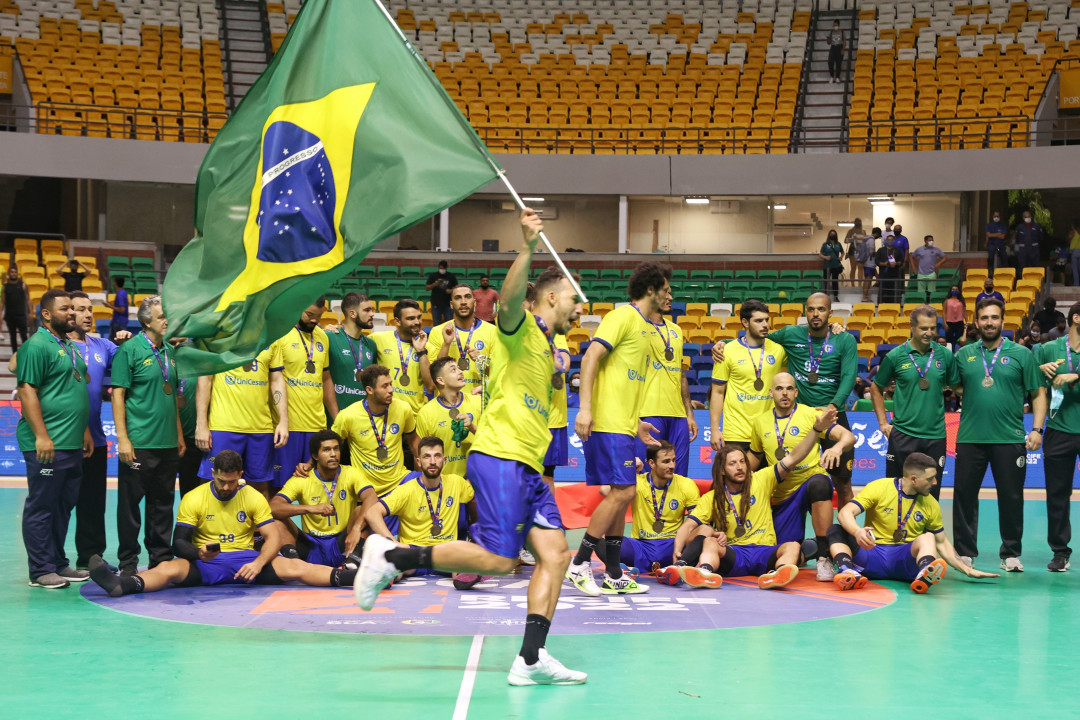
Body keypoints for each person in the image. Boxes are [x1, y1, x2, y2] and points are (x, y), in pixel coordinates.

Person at [354, 210, 589, 686]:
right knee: (501, 561)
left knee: (556, 555)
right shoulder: (519, 327)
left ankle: (530, 659)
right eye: (572, 299)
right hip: (501, 457)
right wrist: (526, 245)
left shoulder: (545, 345)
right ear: (548, 297)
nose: (579, 307)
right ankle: (393, 558)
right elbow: (505, 304)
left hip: (528, 463)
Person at [86, 450, 358, 597]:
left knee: (297, 566)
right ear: (213, 474)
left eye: (232, 481)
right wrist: (198, 553)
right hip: (208, 563)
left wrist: (258, 563)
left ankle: (359, 578)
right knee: (168, 568)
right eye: (221, 481)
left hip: (246, 561)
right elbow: (179, 542)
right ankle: (122, 585)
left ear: (240, 475)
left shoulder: (250, 495)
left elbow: (273, 536)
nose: (227, 487)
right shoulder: (195, 498)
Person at [567, 262, 671, 596]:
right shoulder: (622, 317)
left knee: (620, 494)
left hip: (624, 426)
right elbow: (590, 357)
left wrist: (636, 422)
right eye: (666, 290)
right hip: (608, 424)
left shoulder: (645, 328)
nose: (671, 296)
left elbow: (625, 381)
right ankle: (580, 562)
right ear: (651, 291)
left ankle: (612, 572)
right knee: (626, 491)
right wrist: (584, 408)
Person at [668, 407, 838, 589]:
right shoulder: (712, 497)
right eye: (732, 464)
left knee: (792, 547)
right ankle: (706, 573)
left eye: (742, 462)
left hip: (764, 551)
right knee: (709, 541)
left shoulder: (762, 479)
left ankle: (777, 575)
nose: (740, 467)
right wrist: (678, 551)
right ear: (722, 470)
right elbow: (688, 526)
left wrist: (816, 430)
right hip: (735, 552)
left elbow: (793, 458)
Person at [723, 292, 858, 507]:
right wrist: (725, 343)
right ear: (805, 312)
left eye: (821, 309)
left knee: (842, 483)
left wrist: (832, 407)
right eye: (811, 309)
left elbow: (849, 376)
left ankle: (846, 533)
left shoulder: (845, 339)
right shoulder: (791, 334)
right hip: (799, 416)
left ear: (830, 313)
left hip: (832, 415)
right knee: (789, 478)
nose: (816, 314)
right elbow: (757, 339)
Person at [952, 297, 1046, 572]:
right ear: (976, 321)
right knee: (965, 496)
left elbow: (1037, 393)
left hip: (1009, 437)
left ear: (1003, 321)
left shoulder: (1021, 354)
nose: (989, 322)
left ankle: (1011, 553)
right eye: (984, 318)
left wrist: (1038, 429)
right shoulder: (964, 355)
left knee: (1012, 497)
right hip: (970, 437)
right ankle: (965, 551)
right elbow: (955, 386)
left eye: (994, 318)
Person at [828, 453, 999, 593]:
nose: (935, 483)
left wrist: (966, 570)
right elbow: (845, 513)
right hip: (871, 553)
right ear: (914, 479)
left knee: (928, 537)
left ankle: (924, 572)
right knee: (835, 529)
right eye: (930, 479)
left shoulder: (930, 503)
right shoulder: (879, 487)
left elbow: (942, 543)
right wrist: (857, 531)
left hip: (903, 560)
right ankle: (847, 571)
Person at [17, 289, 92, 588]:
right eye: (65, 309)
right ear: (47, 314)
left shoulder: (68, 346)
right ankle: (40, 570)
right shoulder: (37, 345)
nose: (72, 314)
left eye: (73, 309)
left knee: (63, 506)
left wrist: (84, 429)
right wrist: (42, 436)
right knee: (42, 506)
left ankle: (58, 563)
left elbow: (74, 390)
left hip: (71, 443)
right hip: (48, 445)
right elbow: (27, 391)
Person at [749, 372, 855, 581]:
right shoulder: (760, 423)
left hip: (811, 480)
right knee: (781, 556)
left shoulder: (810, 414)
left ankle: (824, 557)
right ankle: (810, 549)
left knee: (820, 485)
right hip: (783, 493)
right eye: (779, 389)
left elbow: (848, 436)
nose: (785, 393)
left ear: (796, 392)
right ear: (771, 393)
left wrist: (837, 448)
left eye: (789, 388)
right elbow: (754, 456)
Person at [111, 296, 184, 576]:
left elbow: (173, 398)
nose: (167, 320)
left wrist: (178, 435)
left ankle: (161, 558)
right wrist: (123, 439)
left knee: (163, 505)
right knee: (130, 508)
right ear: (145, 322)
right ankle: (128, 562)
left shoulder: (169, 352)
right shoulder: (128, 350)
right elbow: (118, 395)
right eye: (161, 316)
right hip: (139, 443)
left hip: (167, 444)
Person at [364, 435, 483, 589]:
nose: (432, 461)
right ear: (419, 462)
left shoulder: (456, 483)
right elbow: (372, 513)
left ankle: (466, 575)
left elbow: (478, 496)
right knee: (394, 565)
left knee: (461, 559)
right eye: (427, 456)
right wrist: (393, 543)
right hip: (413, 552)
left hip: (444, 551)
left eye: (437, 456)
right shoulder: (406, 490)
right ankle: (385, 574)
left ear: (444, 460)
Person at [871, 305, 959, 497]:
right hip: (903, 434)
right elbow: (876, 388)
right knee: (896, 493)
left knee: (931, 494)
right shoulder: (895, 356)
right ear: (912, 327)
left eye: (933, 328)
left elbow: (958, 387)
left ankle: (928, 529)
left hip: (935, 436)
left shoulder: (944, 355)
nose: (929, 333)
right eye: (924, 328)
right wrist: (883, 423)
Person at [195, 342, 289, 498]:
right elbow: (205, 379)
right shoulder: (220, 335)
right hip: (223, 426)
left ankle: (257, 523)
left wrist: (283, 420)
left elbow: (276, 380)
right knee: (212, 485)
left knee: (259, 489)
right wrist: (201, 424)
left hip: (261, 428)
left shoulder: (272, 336)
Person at [269, 297, 337, 492]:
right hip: (288, 427)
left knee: (315, 489)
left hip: (316, 425)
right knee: (279, 488)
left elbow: (325, 379)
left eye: (319, 316)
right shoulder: (280, 335)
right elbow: (274, 379)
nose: (315, 320)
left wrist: (336, 417)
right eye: (309, 315)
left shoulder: (322, 336)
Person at [271, 430, 367, 566]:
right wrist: (311, 509)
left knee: (363, 510)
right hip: (311, 546)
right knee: (277, 521)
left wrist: (356, 528)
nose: (333, 454)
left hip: (342, 543)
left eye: (336, 449)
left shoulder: (351, 473)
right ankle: (294, 564)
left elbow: (371, 498)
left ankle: (352, 564)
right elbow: (273, 507)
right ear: (315, 455)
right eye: (327, 450)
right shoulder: (302, 479)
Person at [709, 299, 788, 451]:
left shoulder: (778, 350)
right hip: (736, 433)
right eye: (758, 321)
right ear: (745, 322)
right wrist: (714, 429)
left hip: (769, 431)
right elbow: (718, 392)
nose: (765, 325)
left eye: (766, 320)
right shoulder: (726, 351)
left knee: (767, 476)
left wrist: (831, 328)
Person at [1036, 300, 1080, 571]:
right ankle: (1060, 552)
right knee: (1057, 495)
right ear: (1077, 318)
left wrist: (1075, 375)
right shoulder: (1049, 349)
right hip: (1059, 430)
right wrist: (1040, 370)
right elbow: (1033, 384)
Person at [636, 282, 697, 476]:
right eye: (666, 293)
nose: (670, 298)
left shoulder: (676, 330)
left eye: (671, 293)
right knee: (648, 475)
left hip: (678, 416)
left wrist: (689, 413)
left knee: (678, 476)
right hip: (649, 411)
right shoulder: (637, 326)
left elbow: (681, 373)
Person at [332, 364, 417, 498]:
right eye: (384, 386)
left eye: (390, 384)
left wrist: (425, 463)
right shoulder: (347, 416)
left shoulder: (404, 408)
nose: (391, 390)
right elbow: (330, 446)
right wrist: (309, 465)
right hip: (366, 488)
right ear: (369, 390)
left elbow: (414, 442)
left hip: (400, 480)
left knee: (430, 483)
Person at [625, 441, 701, 578]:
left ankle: (678, 565)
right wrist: (630, 467)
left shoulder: (686, 484)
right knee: (602, 539)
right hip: (641, 545)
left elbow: (697, 523)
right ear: (652, 463)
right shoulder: (637, 481)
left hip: (673, 545)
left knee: (703, 532)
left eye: (673, 460)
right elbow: (605, 491)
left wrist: (682, 545)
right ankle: (626, 568)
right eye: (666, 461)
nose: (672, 466)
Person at [415, 356, 482, 478]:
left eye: (459, 368)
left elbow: (492, 440)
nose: (461, 371)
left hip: (476, 480)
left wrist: (472, 427)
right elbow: (422, 457)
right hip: (444, 484)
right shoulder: (426, 413)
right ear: (440, 380)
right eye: (453, 370)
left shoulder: (477, 402)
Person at [427, 283, 498, 395]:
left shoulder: (493, 331)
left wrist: (481, 360)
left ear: (474, 302)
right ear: (451, 304)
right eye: (458, 298)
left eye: (467, 297)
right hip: (448, 405)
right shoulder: (437, 332)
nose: (463, 302)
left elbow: (498, 376)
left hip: (479, 402)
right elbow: (433, 381)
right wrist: (446, 344)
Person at [371, 299, 432, 417]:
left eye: (419, 317)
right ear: (397, 321)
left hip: (414, 415)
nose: (417, 322)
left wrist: (421, 352)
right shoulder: (377, 339)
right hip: (385, 414)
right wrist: (333, 330)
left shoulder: (428, 348)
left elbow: (430, 386)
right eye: (410, 318)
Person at [325, 292, 377, 411]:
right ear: (352, 313)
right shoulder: (330, 337)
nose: (372, 314)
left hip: (362, 419)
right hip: (333, 419)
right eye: (367, 310)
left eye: (372, 310)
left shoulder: (371, 345)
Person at [1, 265, 31, 352]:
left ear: (17, 273)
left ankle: (26, 354)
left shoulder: (23, 285)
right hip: (10, 315)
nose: (13, 274)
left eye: (15, 272)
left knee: (24, 335)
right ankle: (14, 355)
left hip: (21, 315)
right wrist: (0, 314)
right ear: (8, 274)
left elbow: (28, 300)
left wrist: (30, 312)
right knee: (12, 336)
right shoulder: (5, 287)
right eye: (11, 272)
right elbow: (2, 302)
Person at [910, 235, 946, 303]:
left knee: (931, 291)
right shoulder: (919, 249)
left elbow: (945, 258)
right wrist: (913, 267)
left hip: (931, 273)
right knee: (921, 292)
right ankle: (922, 305)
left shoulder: (936, 250)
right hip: (921, 273)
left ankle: (931, 304)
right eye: (929, 240)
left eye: (932, 240)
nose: (931, 242)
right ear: (925, 241)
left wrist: (939, 263)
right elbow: (911, 256)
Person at [425, 260, 458, 325]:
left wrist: (451, 291)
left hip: (448, 304)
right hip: (436, 304)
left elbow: (457, 288)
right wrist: (435, 284)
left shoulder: (451, 276)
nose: (442, 270)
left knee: (449, 324)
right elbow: (427, 288)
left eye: (443, 268)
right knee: (436, 324)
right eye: (440, 268)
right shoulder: (433, 276)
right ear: (438, 267)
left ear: (446, 268)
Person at [875, 233, 902, 304]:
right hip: (883, 274)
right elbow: (876, 261)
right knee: (882, 291)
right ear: (886, 240)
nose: (890, 241)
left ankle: (893, 306)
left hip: (894, 275)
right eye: (888, 239)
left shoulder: (897, 250)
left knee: (893, 292)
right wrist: (884, 264)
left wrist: (896, 263)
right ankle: (880, 306)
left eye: (891, 240)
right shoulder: (881, 250)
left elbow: (901, 262)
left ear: (894, 241)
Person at [820, 229, 844, 301]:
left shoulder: (838, 244)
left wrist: (841, 257)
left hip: (835, 265)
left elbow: (843, 252)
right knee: (826, 281)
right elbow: (820, 254)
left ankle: (835, 296)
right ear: (829, 235)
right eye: (831, 234)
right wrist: (825, 257)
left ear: (836, 235)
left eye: (834, 234)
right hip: (827, 266)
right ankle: (825, 296)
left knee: (835, 281)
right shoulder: (825, 244)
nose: (832, 235)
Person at [103, 276, 130, 341]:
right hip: (121, 321)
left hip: (118, 322)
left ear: (115, 283)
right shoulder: (123, 292)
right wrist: (111, 305)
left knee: (116, 341)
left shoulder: (120, 294)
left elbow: (122, 309)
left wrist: (109, 306)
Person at [859, 227, 880, 301]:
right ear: (877, 234)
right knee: (868, 280)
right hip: (870, 262)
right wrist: (877, 254)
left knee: (867, 279)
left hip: (865, 262)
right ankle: (864, 297)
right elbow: (871, 253)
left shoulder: (866, 239)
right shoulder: (871, 240)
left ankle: (865, 295)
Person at [844, 217, 865, 281]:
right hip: (852, 250)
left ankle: (860, 284)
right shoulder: (851, 231)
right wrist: (852, 239)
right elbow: (845, 241)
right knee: (853, 268)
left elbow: (866, 241)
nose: (858, 223)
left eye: (859, 222)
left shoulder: (863, 231)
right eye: (856, 222)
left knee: (860, 268)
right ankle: (852, 284)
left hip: (861, 251)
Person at [1069, 220, 1080, 287]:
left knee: (1075, 269)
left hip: (1075, 251)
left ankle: (1076, 284)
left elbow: (1068, 238)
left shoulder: (1073, 232)